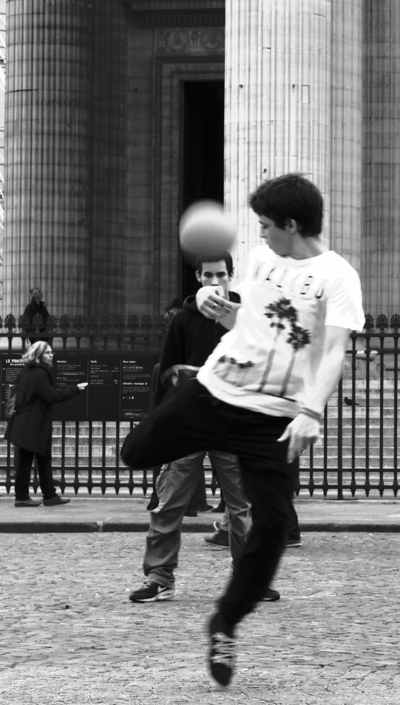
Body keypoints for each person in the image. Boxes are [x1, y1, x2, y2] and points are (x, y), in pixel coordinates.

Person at [119, 174, 364, 687]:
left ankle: (224, 623)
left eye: (267, 226)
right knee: (135, 453)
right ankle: (196, 429)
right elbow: (257, 324)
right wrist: (224, 311)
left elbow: (334, 350)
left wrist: (311, 411)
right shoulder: (259, 261)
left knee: (272, 532)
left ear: (292, 225)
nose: (261, 235)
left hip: (270, 417)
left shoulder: (337, 276)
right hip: (215, 389)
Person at [129, 255, 265, 604]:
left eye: (222, 274)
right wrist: (160, 424)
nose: (216, 280)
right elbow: (167, 372)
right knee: (169, 503)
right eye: (209, 274)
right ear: (198, 276)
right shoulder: (184, 320)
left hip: (232, 423)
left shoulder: (244, 317)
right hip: (187, 424)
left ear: (231, 276)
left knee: (241, 507)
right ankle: (159, 577)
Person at [4, 341, 87, 506]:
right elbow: (51, 396)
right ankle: (23, 497)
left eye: (51, 352)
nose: (52, 355)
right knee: (30, 460)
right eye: (48, 353)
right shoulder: (40, 374)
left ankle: (48, 495)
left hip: (28, 421)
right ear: (39, 356)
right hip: (32, 424)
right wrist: (75, 389)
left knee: (39, 458)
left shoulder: (28, 370)